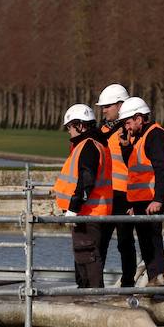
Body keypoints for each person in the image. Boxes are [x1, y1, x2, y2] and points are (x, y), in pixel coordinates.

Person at [119, 96, 164, 287]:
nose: (127, 127)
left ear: (139, 118)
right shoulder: (142, 137)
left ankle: (158, 291)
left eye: (128, 122)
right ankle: (155, 289)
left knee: (153, 247)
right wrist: (126, 147)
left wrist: (158, 199)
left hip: (151, 202)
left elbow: (163, 169)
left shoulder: (154, 135)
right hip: (142, 202)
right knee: (147, 248)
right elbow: (136, 169)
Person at [54, 104, 113, 288]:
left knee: (88, 258)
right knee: (85, 257)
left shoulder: (88, 146)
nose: (69, 132)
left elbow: (87, 179)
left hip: (89, 213)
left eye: (69, 127)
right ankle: (88, 296)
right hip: (92, 212)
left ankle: (92, 299)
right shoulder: (94, 143)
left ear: (79, 125)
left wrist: (73, 208)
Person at [95, 83, 139, 286]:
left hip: (124, 196)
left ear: (121, 105)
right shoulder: (101, 130)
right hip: (105, 195)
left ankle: (128, 285)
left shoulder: (130, 131)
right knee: (100, 242)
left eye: (107, 106)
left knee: (125, 243)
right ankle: (96, 286)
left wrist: (134, 200)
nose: (103, 110)